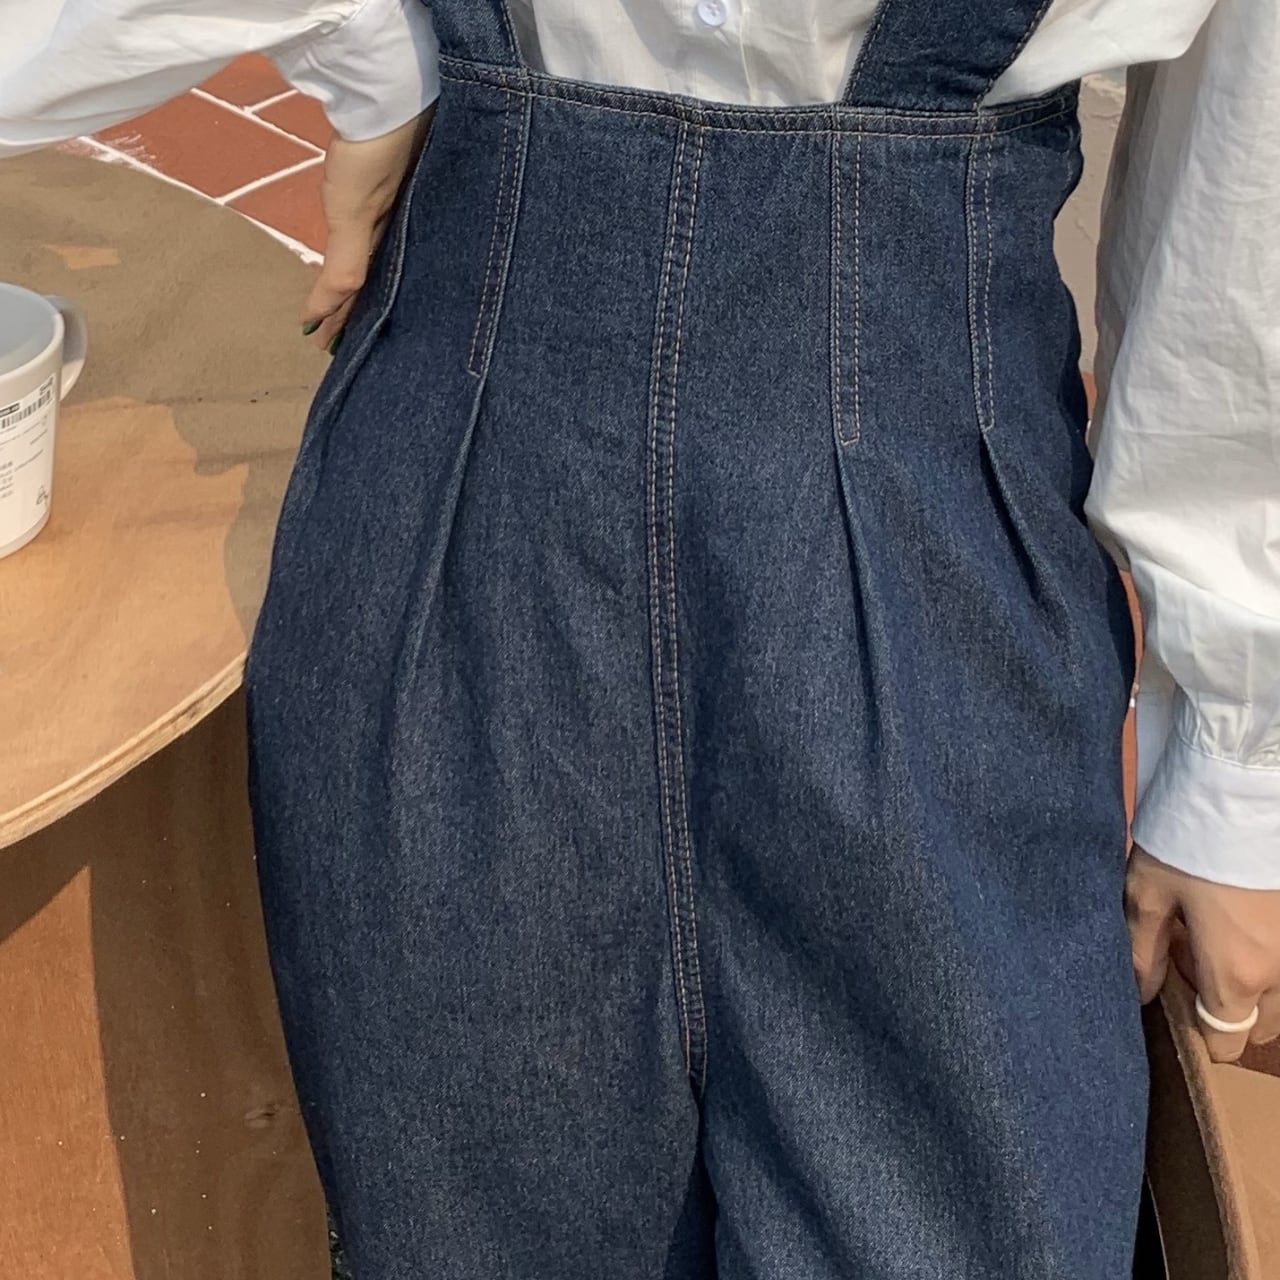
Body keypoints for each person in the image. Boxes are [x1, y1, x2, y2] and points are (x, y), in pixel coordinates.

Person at [3, 1, 1277, 1275]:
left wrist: (1236, 745)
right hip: (472, 435)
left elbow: (1243, 106)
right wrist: (364, 38)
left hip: (924, 485)